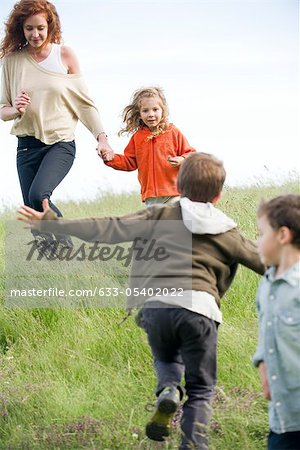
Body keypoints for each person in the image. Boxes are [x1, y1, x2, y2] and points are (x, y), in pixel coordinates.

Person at [17, 153, 265, 449]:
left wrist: (56, 225)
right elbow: (266, 262)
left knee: (165, 357)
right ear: (219, 195)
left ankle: (169, 389)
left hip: (156, 306)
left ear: (178, 186)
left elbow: (110, 227)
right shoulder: (228, 231)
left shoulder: (158, 215)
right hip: (200, 309)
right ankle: (194, 444)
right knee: (200, 388)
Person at [0, 0, 113, 254]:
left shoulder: (65, 55)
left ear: (50, 26)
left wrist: (102, 138)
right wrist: (15, 109)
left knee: (39, 194)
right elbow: (3, 110)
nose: (35, 34)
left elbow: (84, 104)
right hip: (27, 145)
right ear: (21, 28)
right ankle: (56, 266)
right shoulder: (11, 60)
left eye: (40, 27)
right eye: (29, 28)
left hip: (60, 143)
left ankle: (70, 241)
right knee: (32, 210)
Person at [253, 195, 300, 450]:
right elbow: (266, 333)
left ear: (283, 235)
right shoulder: (267, 283)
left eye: (262, 234)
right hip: (283, 416)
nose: (258, 242)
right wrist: (263, 368)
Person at [103, 86, 196, 206]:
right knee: (156, 225)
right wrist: (111, 158)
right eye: (145, 111)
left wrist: (181, 159)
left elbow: (192, 155)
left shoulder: (173, 132)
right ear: (139, 114)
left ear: (163, 111)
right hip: (151, 198)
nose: (151, 114)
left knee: (175, 224)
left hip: (175, 193)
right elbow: (129, 162)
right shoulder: (137, 137)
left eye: (155, 109)